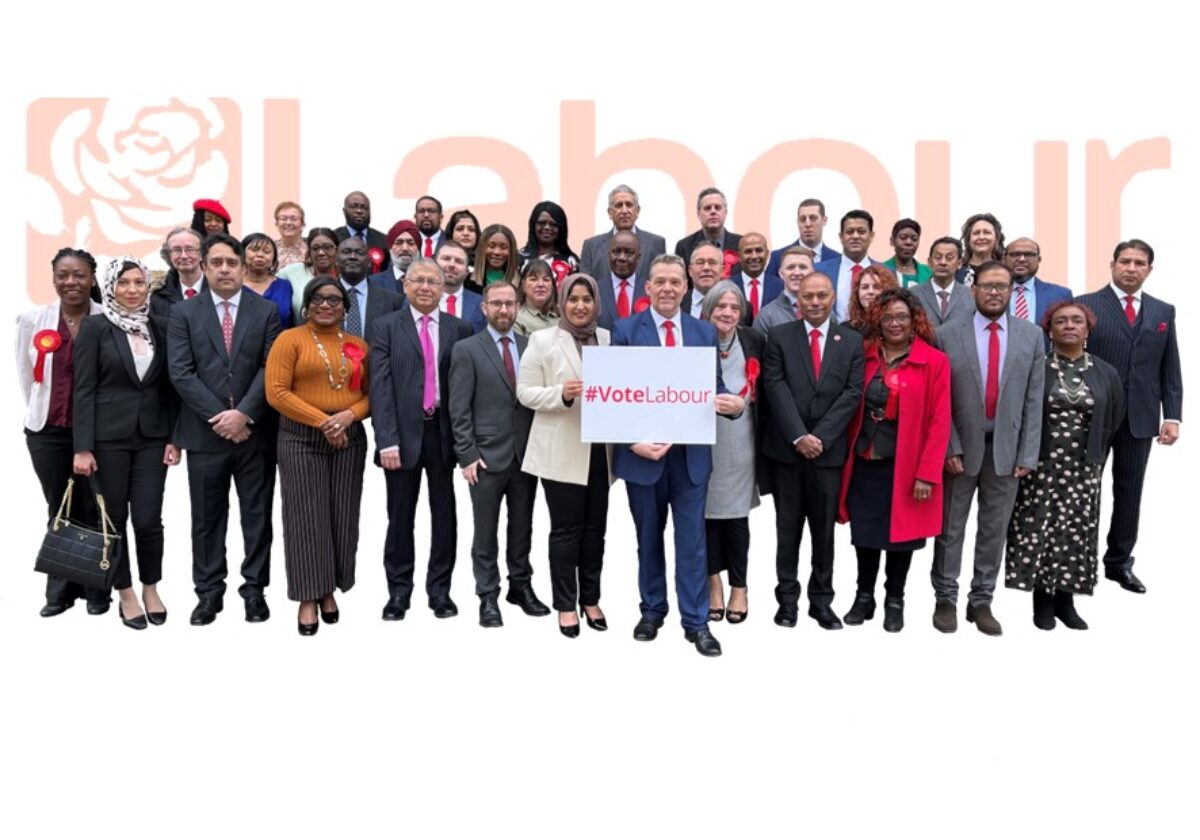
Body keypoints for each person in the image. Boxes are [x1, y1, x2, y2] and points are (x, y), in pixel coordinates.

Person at [612, 254, 746, 657]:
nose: (668, 288)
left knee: (692, 543)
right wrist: (630, 441)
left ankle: (696, 622)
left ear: (686, 288)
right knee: (647, 539)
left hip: (690, 457)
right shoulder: (624, 330)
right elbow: (614, 395)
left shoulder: (703, 332)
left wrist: (734, 405)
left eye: (675, 281)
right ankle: (652, 611)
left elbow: (715, 385)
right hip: (642, 457)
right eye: (660, 282)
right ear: (647, 288)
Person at [167, 232, 282, 626]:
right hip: (204, 435)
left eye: (231, 262)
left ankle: (254, 591)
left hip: (255, 435)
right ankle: (208, 593)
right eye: (215, 263)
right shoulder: (184, 313)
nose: (224, 269)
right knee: (206, 519)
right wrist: (222, 417)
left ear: (242, 265)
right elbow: (180, 373)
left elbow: (272, 368)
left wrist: (245, 414)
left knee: (257, 516)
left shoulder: (265, 311)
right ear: (203, 266)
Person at [931, 261, 1045, 636]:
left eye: (1002, 286)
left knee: (993, 529)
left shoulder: (1031, 336)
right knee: (951, 528)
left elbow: (1033, 400)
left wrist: (1028, 454)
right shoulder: (947, 334)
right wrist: (948, 445)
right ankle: (945, 597)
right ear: (973, 289)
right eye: (987, 286)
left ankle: (981, 600)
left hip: (1007, 453)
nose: (994, 292)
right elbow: (939, 398)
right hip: (960, 451)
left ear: (1011, 291)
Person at [73, 257, 180, 629]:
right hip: (107, 441)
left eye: (139, 282)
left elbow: (170, 387)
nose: (133, 290)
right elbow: (83, 389)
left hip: (152, 438)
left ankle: (151, 587)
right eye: (124, 283)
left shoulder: (161, 326)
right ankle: (126, 591)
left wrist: (173, 437)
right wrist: (82, 446)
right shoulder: (94, 327)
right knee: (113, 518)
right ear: (110, 286)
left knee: (149, 519)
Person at [1006, 300, 1125, 630]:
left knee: (1073, 533)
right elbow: (1019, 411)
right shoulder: (1036, 367)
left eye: (1077, 320)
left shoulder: (1105, 372)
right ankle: (1042, 603)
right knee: (1039, 531)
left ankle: (1066, 602)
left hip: (1083, 469)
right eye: (1061, 321)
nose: (1069, 326)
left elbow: (1113, 416)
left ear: (1088, 329)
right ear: (1049, 330)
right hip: (1041, 465)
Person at [838, 288, 950, 632]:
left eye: (902, 316)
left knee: (903, 537)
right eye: (887, 317)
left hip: (906, 465)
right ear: (878, 321)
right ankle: (863, 596)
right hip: (865, 459)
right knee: (866, 533)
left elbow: (939, 421)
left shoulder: (934, 361)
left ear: (914, 321)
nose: (895, 323)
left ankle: (895, 598)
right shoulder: (864, 356)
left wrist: (927, 474)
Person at [370, 259, 475, 621]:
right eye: (419, 281)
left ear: (444, 288)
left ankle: (440, 591)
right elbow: (380, 387)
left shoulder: (458, 329)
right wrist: (386, 440)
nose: (426, 287)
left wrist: (468, 444)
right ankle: (398, 592)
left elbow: (464, 390)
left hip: (444, 433)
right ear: (406, 286)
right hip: (402, 435)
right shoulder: (385, 327)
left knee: (445, 515)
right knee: (400, 517)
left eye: (434, 281)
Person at [264, 278, 370, 636]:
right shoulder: (289, 339)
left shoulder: (358, 345)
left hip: (348, 438)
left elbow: (371, 394)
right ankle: (308, 596)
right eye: (319, 299)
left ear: (345, 308)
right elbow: (276, 392)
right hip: (301, 437)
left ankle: (330, 588)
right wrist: (324, 421)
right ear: (307, 305)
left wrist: (347, 418)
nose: (327, 305)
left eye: (335, 300)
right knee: (307, 518)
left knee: (342, 516)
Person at [1076, 239, 1181, 594]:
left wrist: (1173, 416)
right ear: (1112, 264)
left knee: (1129, 492)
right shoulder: (1086, 304)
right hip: (1093, 416)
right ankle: (1079, 562)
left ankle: (1119, 563)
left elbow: (1170, 366)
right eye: (1125, 261)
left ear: (1149, 270)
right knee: (1085, 491)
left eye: (1139, 263)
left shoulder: (1163, 312)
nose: (1131, 268)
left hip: (1141, 416)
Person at [761, 272, 865, 631]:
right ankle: (787, 601)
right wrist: (798, 437)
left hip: (828, 454)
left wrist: (819, 436)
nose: (816, 302)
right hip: (788, 453)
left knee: (824, 534)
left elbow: (853, 393)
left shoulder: (850, 341)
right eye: (808, 297)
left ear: (833, 296)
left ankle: (821, 602)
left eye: (822, 296)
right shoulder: (779, 336)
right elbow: (774, 386)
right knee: (787, 530)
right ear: (798, 300)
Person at [449, 281, 550, 627]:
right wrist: (467, 455)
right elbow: (458, 408)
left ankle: (520, 587)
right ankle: (487, 594)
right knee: (485, 531)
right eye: (497, 304)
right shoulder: (467, 349)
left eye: (510, 304)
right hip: (486, 458)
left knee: (523, 527)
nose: (504, 310)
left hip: (526, 454)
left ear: (518, 306)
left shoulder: (532, 345)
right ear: (484, 307)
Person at [517, 273, 613, 638]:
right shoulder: (542, 340)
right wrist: (561, 394)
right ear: (562, 302)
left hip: (599, 453)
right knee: (566, 531)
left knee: (596, 531)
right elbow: (525, 393)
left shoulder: (606, 339)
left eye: (587, 299)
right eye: (573, 299)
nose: (580, 306)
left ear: (596, 303)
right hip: (560, 450)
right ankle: (565, 603)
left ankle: (591, 598)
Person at [17, 247, 108, 617]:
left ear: (92, 279)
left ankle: (97, 589)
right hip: (48, 431)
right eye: (63, 275)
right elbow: (27, 374)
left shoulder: (108, 318)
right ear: (53, 278)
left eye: (79, 275)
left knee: (95, 505)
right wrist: (41, 411)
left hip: (98, 432)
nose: (71, 282)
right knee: (59, 506)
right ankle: (59, 592)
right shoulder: (32, 319)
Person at [702, 281, 763, 625]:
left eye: (734, 307)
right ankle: (714, 587)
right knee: (707, 516)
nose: (727, 313)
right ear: (708, 309)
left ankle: (739, 587)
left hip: (740, 439)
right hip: (703, 438)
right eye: (720, 306)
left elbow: (762, 385)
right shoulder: (695, 338)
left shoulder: (754, 340)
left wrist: (742, 403)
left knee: (737, 517)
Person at [578, 184, 667, 284]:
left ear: (637, 211)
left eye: (629, 205)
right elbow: (585, 286)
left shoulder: (656, 244)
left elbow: (661, 282)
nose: (624, 211)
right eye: (619, 205)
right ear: (610, 213)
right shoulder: (591, 246)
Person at [813, 210, 882, 322]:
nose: (855, 236)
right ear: (841, 237)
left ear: (871, 236)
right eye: (850, 232)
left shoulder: (885, 272)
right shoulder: (818, 271)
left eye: (861, 231)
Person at [332, 237, 404, 345]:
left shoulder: (393, 301)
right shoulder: (319, 298)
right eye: (346, 252)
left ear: (369, 262)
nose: (352, 257)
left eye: (359, 253)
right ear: (336, 260)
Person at [1004, 237, 1072, 346]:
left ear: (1039, 260)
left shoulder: (1061, 295)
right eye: (1015, 254)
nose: (1021, 259)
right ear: (1004, 258)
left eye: (1029, 255)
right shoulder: (991, 293)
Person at [765, 198, 841, 284]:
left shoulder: (837, 259)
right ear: (797, 222)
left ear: (824, 220)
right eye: (802, 219)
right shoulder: (777, 257)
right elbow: (769, 290)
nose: (807, 224)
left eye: (813, 218)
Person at [753, 247, 814, 337]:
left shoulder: (824, 312)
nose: (797, 273)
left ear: (812, 272)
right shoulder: (766, 317)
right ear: (781, 273)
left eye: (803, 267)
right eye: (790, 267)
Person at [912, 237, 974, 327]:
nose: (943, 262)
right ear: (929, 262)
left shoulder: (969, 295)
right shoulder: (914, 294)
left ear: (959, 263)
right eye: (938, 257)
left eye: (949, 258)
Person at [674, 187, 741, 267]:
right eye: (707, 208)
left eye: (717, 207)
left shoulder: (740, 244)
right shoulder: (684, 246)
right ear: (698, 214)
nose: (713, 211)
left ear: (725, 212)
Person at [282, 227, 340, 316]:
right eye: (315, 248)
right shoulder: (290, 273)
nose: (321, 252)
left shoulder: (346, 275)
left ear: (337, 249)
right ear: (309, 252)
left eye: (327, 247)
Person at [240, 233, 295, 328]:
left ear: (274, 259)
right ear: (242, 254)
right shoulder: (234, 287)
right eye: (254, 250)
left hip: (281, 341)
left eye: (266, 251)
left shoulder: (285, 286)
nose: (260, 255)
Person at [150, 227, 206, 317]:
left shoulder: (219, 289)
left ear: (201, 254)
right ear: (169, 255)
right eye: (177, 250)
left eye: (189, 249)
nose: (184, 256)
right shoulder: (158, 297)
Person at [595, 230, 644, 331]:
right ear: (609, 255)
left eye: (629, 252)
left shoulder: (650, 290)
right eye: (616, 252)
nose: (622, 257)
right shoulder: (595, 290)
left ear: (638, 257)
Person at [520, 201, 579, 281]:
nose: (547, 227)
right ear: (533, 225)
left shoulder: (571, 262)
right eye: (541, 223)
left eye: (553, 224)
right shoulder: (519, 259)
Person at [334, 190, 391, 272]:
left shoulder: (384, 240)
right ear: (344, 211)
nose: (359, 211)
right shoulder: (334, 238)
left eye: (364, 208)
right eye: (354, 207)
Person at [436, 240, 486, 332]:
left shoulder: (482, 304)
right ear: (434, 264)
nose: (452, 265)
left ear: (467, 271)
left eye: (459, 261)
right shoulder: (417, 300)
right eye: (446, 258)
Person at [728, 232, 777, 319]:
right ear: (739, 256)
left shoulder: (780, 286)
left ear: (767, 254)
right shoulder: (727, 286)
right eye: (748, 251)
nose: (754, 256)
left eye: (759, 250)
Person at [845, 264, 899, 335]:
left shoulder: (897, 326)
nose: (870, 291)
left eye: (876, 287)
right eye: (865, 287)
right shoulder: (846, 329)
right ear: (857, 293)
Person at [369, 220, 421, 292]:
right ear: (390, 248)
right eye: (399, 243)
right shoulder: (373, 283)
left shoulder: (429, 281)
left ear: (418, 248)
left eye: (410, 243)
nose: (405, 248)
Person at [956, 212, 1006, 285]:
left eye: (987, 232)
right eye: (976, 233)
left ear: (997, 238)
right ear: (968, 239)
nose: (981, 237)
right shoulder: (956, 271)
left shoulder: (1005, 271)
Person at [514, 259, 559, 336]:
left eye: (546, 279)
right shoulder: (516, 319)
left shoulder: (563, 316)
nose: (541, 284)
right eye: (533, 279)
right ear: (523, 286)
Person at [883, 219, 932, 287]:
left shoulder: (929, 273)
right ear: (892, 241)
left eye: (914, 239)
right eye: (903, 238)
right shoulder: (880, 270)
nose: (909, 242)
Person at [472, 223, 520, 292]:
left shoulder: (521, 283)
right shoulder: (468, 282)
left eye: (503, 247)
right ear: (482, 248)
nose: (497, 252)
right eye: (491, 246)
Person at [684, 242, 723, 318]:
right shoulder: (677, 303)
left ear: (722, 270)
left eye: (712, 262)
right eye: (700, 262)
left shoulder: (738, 305)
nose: (706, 268)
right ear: (690, 271)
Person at [444, 208, 481, 281]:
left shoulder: (484, 263)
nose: (466, 233)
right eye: (460, 229)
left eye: (471, 229)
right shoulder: (438, 261)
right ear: (451, 233)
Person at [273, 201, 307, 269]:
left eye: (293, 219)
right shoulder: (270, 249)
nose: (288, 223)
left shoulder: (311, 249)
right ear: (277, 224)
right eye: (284, 219)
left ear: (303, 225)